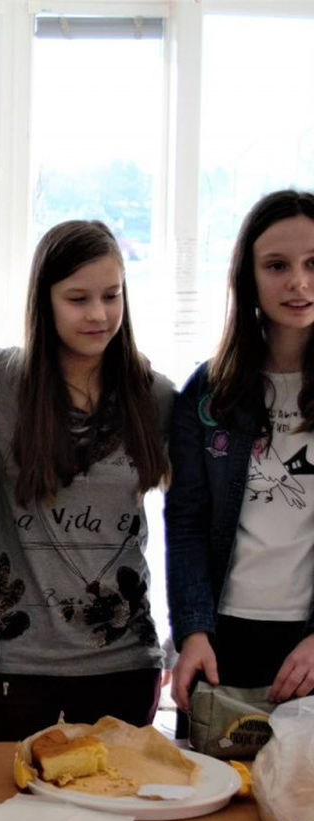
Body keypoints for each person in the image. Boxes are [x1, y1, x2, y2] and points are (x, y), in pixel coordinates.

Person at [0, 220, 173, 742]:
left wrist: (190, 633)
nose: (98, 314)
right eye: (78, 299)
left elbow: (199, 518)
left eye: (112, 295)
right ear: (45, 301)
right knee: (5, 797)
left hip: (125, 663)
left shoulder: (155, 397)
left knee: (118, 796)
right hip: (16, 664)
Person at [166, 189, 314, 716]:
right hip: (220, 638)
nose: (298, 282)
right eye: (277, 265)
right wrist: (192, 632)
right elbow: (186, 520)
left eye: (313, 263)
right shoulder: (209, 390)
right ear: (248, 277)